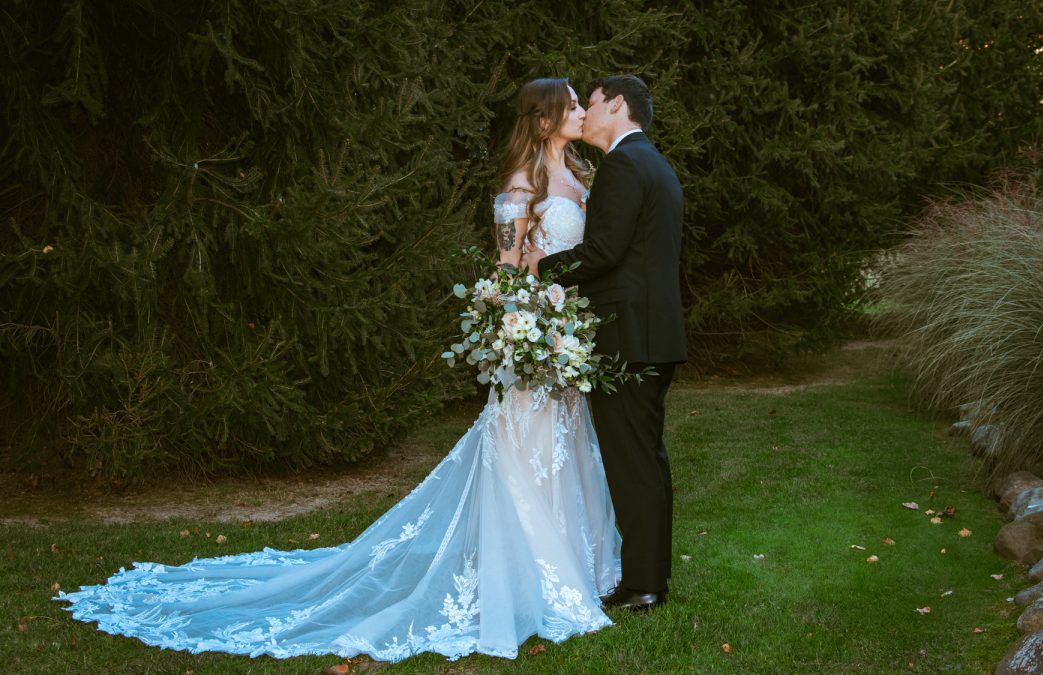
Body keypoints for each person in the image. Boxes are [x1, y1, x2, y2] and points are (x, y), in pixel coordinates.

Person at [55, 78, 621, 663]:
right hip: (529, 342)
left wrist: (564, 327)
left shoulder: (580, 177)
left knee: (565, 447)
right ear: (544, 121)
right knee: (524, 454)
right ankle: (531, 578)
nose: (582, 111)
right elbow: (505, 272)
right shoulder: (517, 189)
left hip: (564, 336)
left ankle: (571, 563)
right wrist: (514, 337)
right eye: (573, 105)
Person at [523, 74, 687, 612]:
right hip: (655, 337)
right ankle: (648, 577)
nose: (586, 113)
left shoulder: (621, 165)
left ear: (616, 104)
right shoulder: (655, 164)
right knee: (647, 460)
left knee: (632, 463)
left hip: (628, 341)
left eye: (590, 103)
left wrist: (540, 267)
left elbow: (603, 253)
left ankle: (643, 585)